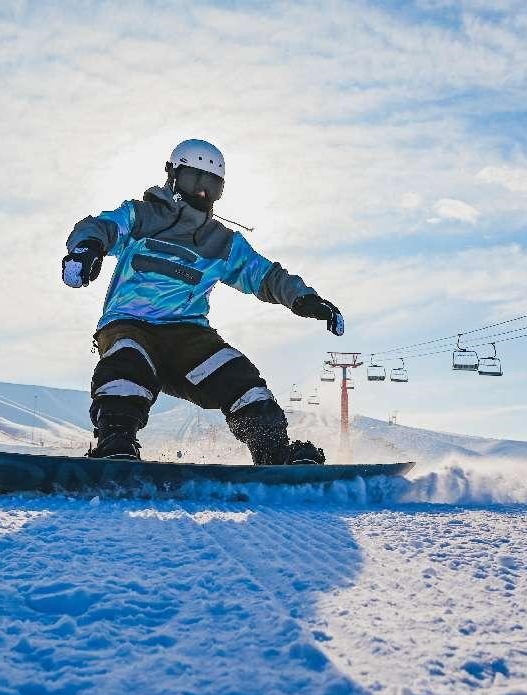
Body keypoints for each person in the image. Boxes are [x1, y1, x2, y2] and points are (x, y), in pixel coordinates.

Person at [62, 138, 344, 464]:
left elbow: (265, 275)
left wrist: (303, 298)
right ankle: (116, 440)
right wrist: (88, 248)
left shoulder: (221, 241)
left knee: (239, 377)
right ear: (172, 175)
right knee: (127, 362)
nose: (201, 192)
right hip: (130, 324)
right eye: (194, 179)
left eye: (211, 186)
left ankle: (273, 451)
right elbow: (101, 227)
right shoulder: (141, 216)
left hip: (187, 336)